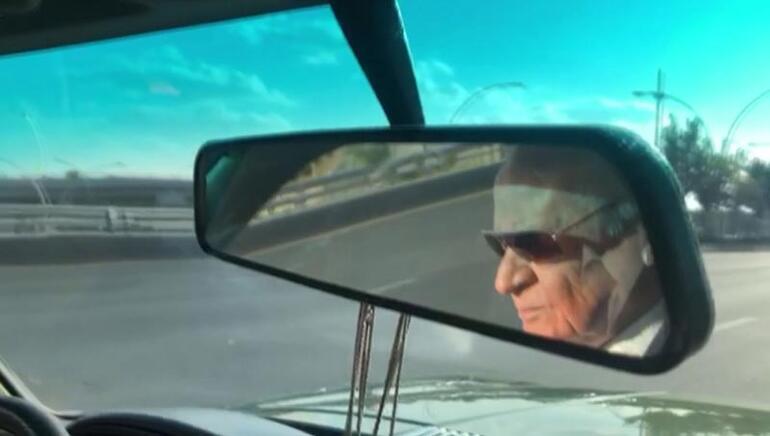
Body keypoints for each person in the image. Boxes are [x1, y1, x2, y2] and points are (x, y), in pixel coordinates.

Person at [483, 146, 667, 357]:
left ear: (636, 237)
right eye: (501, 243)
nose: (503, 283)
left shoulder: (667, 352)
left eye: (532, 242)